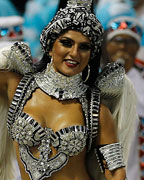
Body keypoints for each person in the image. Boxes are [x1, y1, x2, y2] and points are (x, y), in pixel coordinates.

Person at [0, 0, 137, 180]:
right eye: (66, 43)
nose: (74, 53)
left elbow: (115, 172)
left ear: (91, 54)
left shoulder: (95, 110)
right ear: (49, 46)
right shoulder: (17, 87)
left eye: (84, 47)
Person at [100, 14, 144, 180]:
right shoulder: (96, 75)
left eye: (130, 41)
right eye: (117, 40)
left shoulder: (141, 77)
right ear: (107, 45)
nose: (123, 46)